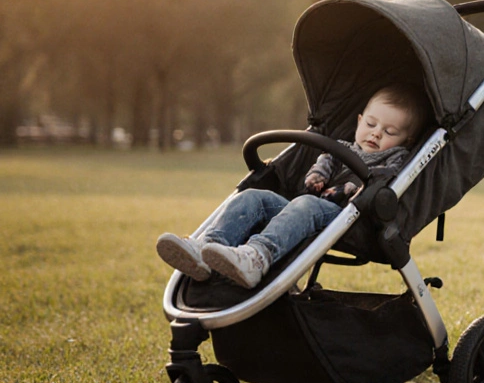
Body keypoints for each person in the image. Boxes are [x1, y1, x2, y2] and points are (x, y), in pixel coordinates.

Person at [156, 85, 425, 289]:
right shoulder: (342, 148)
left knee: (306, 204)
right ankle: (206, 249)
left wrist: (347, 189)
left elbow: (383, 178)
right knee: (254, 197)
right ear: (358, 122)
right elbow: (325, 161)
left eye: (390, 132)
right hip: (304, 209)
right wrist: (316, 177)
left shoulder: (396, 158)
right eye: (371, 124)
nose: (376, 133)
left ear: (406, 140)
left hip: (349, 219)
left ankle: (257, 257)